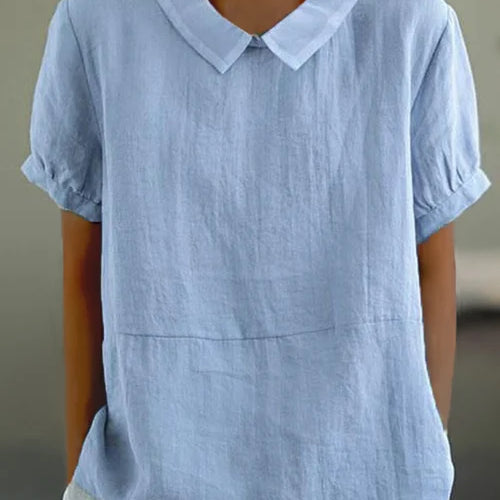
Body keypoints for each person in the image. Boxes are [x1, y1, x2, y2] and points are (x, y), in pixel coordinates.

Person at [20, 0, 491, 498]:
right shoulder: (98, 22)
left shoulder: (411, 23)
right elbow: (86, 276)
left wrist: (420, 458)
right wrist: (81, 486)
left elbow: (430, 270)